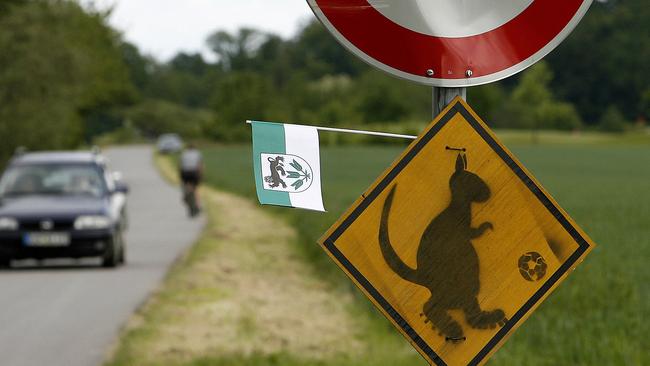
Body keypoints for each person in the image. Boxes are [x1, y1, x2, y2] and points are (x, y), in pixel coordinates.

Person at [179, 143, 203, 216]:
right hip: (194, 172)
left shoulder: (184, 154)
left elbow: (180, 165)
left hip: (185, 172)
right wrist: (201, 175)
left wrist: (180, 176)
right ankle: (197, 206)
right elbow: (200, 165)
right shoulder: (197, 153)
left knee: (187, 187)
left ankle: (187, 196)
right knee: (195, 189)